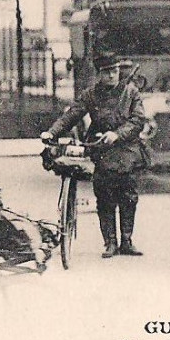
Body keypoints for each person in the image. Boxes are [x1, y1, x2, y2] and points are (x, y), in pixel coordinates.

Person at [42, 50, 147, 258]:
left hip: (127, 149)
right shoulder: (91, 94)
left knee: (128, 197)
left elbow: (137, 120)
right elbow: (71, 115)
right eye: (107, 72)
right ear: (99, 73)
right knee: (105, 196)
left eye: (115, 71)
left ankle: (126, 241)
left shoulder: (131, 93)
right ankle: (110, 243)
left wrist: (117, 134)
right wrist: (52, 132)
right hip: (102, 150)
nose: (111, 76)